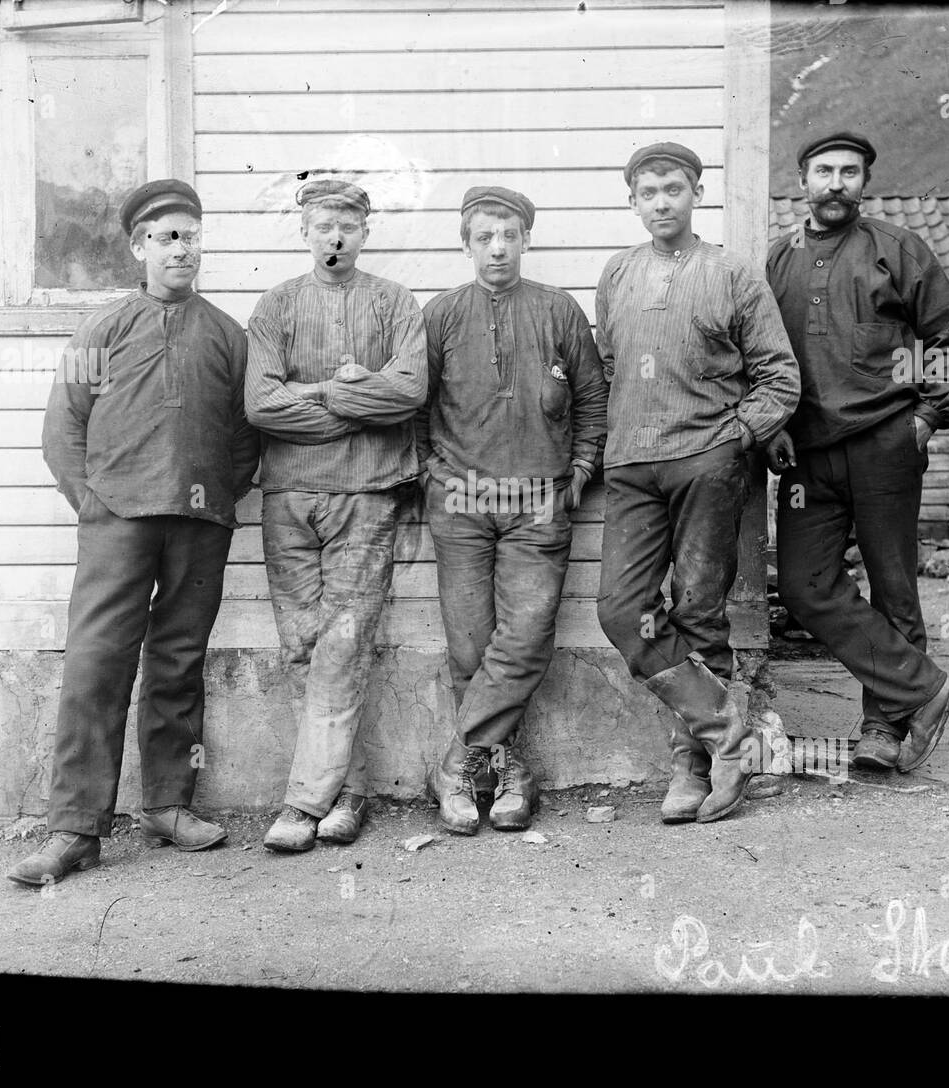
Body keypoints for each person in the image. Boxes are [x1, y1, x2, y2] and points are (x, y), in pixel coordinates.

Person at [9, 179, 259, 886]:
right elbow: (64, 426)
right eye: (168, 236)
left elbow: (246, 440)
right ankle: (74, 829)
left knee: (178, 662)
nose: (183, 248)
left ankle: (168, 806)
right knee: (96, 665)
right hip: (117, 520)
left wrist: (215, 496)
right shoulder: (105, 327)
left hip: (200, 522)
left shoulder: (226, 335)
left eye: (191, 234)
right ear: (139, 247)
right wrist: (92, 501)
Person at [595, 142, 800, 824]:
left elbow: (780, 378)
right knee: (623, 611)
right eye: (647, 192)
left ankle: (693, 764)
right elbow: (606, 367)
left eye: (673, 190)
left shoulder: (732, 272)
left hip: (706, 463)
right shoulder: (617, 274)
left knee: (697, 611)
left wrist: (730, 441)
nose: (661, 202)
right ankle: (728, 737)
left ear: (695, 194)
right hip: (630, 466)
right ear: (632, 201)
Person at [765, 131, 949, 773]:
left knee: (892, 584)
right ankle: (925, 688)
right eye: (823, 171)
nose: (836, 183)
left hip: (886, 440)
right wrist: (773, 424)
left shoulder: (898, 249)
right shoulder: (779, 261)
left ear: (864, 181)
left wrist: (928, 416)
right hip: (807, 453)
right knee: (804, 585)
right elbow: (759, 355)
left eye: (849, 172)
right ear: (802, 180)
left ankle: (883, 729)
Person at [418, 186, 609, 834]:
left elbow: (592, 398)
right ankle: (497, 772)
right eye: (484, 237)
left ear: (526, 239)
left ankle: (458, 762)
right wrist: (435, 478)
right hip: (462, 503)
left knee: (524, 639)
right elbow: (415, 408)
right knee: (470, 646)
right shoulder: (441, 315)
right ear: (467, 244)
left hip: (537, 504)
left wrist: (581, 470)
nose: (497, 247)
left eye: (508, 235)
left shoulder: (558, 310)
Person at [247, 179, 427, 851]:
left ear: (365, 231)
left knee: (344, 644)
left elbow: (408, 393)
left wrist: (311, 402)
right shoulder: (277, 307)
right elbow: (262, 406)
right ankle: (345, 789)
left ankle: (303, 806)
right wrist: (345, 394)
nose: (336, 237)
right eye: (324, 225)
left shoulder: (395, 303)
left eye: (348, 225)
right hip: (288, 499)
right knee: (301, 644)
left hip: (366, 494)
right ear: (304, 231)